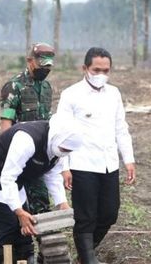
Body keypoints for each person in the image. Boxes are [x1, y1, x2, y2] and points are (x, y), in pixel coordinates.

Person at [0, 114, 83, 264]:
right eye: (63, 148)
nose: (64, 152)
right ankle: (3, 259)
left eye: (68, 150)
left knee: (26, 230)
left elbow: (53, 174)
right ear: (56, 137)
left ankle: (25, 258)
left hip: (16, 181)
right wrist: (19, 211)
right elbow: (7, 177)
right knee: (7, 230)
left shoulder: (60, 144)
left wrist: (62, 202)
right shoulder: (26, 140)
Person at [57, 47, 136, 264]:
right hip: (82, 165)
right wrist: (64, 167)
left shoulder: (114, 93)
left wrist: (128, 159)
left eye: (106, 70)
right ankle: (88, 260)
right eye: (96, 70)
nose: (101, 74)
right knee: (85, 218)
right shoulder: (71, 95)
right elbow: (61, 134)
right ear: (85, 68)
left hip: (109, 164)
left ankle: (84, 255)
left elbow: (121, 128)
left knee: (110, 214)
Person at [0, 42, 56, 216]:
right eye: (42, 65)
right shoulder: (14, 86)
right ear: (30, 61)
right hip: (21, 150)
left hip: (41, 150)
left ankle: (42, 236)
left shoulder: (47, 88)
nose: (45, 70)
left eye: (48, 66)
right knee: (22, 199)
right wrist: (7, 151)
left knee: (40, 198)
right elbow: (6, 120)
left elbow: (48, 119)